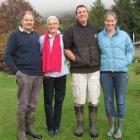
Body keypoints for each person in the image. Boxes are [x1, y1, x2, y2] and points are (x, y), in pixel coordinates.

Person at [4, 11, 42, 140]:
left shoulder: (37, 36)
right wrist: (17, 72)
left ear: (33, 22)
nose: (29, 22)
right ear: (21, 21)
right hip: (24, 75)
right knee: (23, 105)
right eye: (26, 20)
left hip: (38, 75)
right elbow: (7, 55)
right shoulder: (14, 36)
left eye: (31, 20)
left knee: (32, 105)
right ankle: (21, 133)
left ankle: (30, 128)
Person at [64, 5, 100, 137]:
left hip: (95, 70)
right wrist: (77, 60)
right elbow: (66, 49)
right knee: (79, 98)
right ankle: (79, 125)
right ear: (76, 15)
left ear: (87, 14)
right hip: (78, 71)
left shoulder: (96, 29)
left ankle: (93, 126)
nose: (82, 14)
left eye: (84, 11)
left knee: (94, 98)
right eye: (79, 12)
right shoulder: (70, 31)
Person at [98, 11, 134, 139]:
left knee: (120, 100)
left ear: (116, 21)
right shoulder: (100, 36)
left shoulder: (124, 35)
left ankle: (120, 127)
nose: (110, 23)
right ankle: (112, 125)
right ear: (104, 22)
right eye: (108, 21)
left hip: (121, 73)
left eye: (112, 21)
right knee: (108, 100)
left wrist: (126, 61)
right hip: (105, 73)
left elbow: (130, 50)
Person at [40, 16, 69, 136]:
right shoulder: (41, 39)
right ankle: (50, 127)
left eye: (54, 23)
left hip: (61, 73)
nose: (52, 26)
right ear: (47, 25)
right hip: (48, 75)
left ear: (58, 24)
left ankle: (56, 126)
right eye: (50, 24)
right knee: (48, 101)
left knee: (59, 101)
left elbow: (68, 52)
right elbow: (39, 54)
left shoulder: (63, 38)